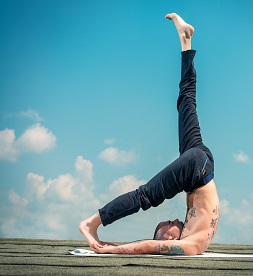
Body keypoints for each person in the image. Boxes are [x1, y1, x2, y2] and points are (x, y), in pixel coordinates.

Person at [79, 13, 220, 256]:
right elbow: (150, 245)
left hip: (200, 164)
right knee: (145, 195)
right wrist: (114, 250)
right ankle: (91, 223)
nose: (173, 220)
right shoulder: (193, 245)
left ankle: (186, 43)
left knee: (186, 101)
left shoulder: (191, 240)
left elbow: (150, 244)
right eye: (167, 225)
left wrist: (113, 250)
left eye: (165, 224)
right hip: (199, 167)